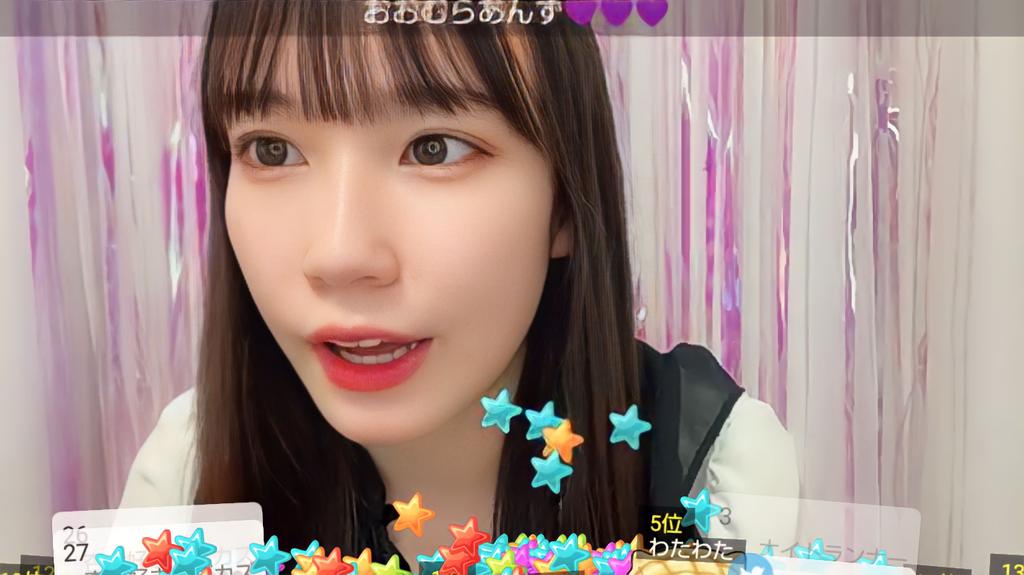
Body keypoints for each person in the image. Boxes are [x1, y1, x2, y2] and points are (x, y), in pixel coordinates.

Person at [121, 0, 798, 568]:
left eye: (434, 148)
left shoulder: (709, 479)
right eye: (273, 150)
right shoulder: (186, 478)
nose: (339, 254)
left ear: (565, 203)